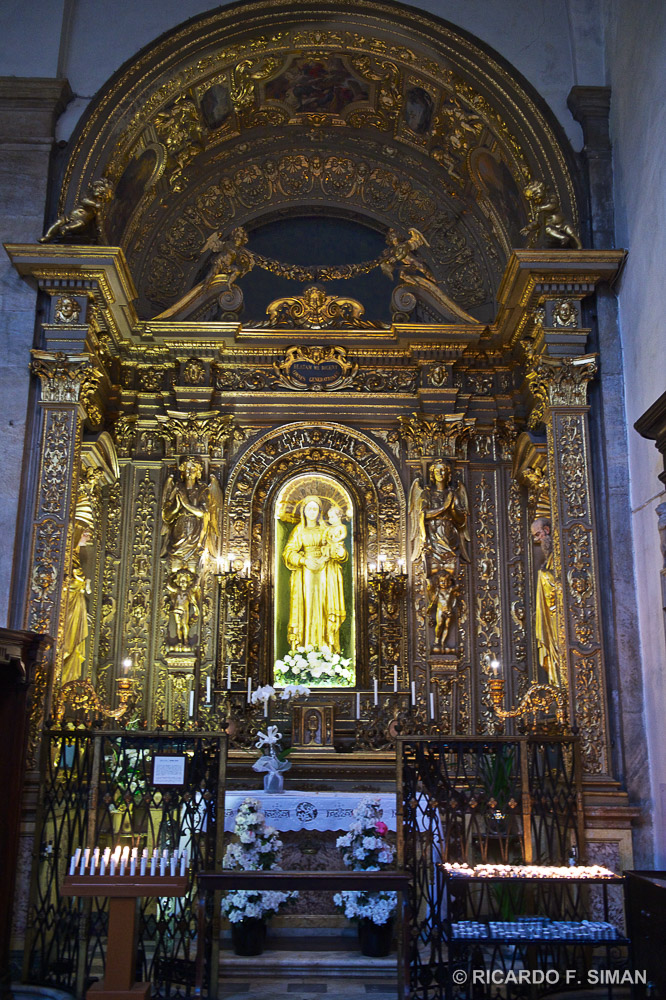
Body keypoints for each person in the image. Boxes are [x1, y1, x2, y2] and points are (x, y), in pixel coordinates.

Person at [283, 496, 347, 652]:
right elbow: (288, 552)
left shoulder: (327, 529)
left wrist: (340, 552)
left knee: (325, 607)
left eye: (315, 509)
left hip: (327, 572)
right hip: (306, 574)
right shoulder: (299, 530)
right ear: (303, 511)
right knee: (307, 607)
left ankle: (326, 647)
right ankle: (305, 648)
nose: (312, 512)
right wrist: (304, 560)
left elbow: (339, 551)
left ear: (319, 511)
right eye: (309, 508)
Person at [530, 517, 563, 687]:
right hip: (551, 613)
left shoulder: (560, 553)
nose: (537, 539)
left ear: (547, 531)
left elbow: (559, 583)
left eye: (538, 534)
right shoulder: (550, 558)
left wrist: (544, 577)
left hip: (559, 612)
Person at [61, 523, 93, 685]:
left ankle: (65, 682)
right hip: (69, 606)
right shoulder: (67, 558)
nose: (88, 537)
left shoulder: (75, 557)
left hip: (77, 605)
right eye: (85, 533)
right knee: (67, 644)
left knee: (74, 643)